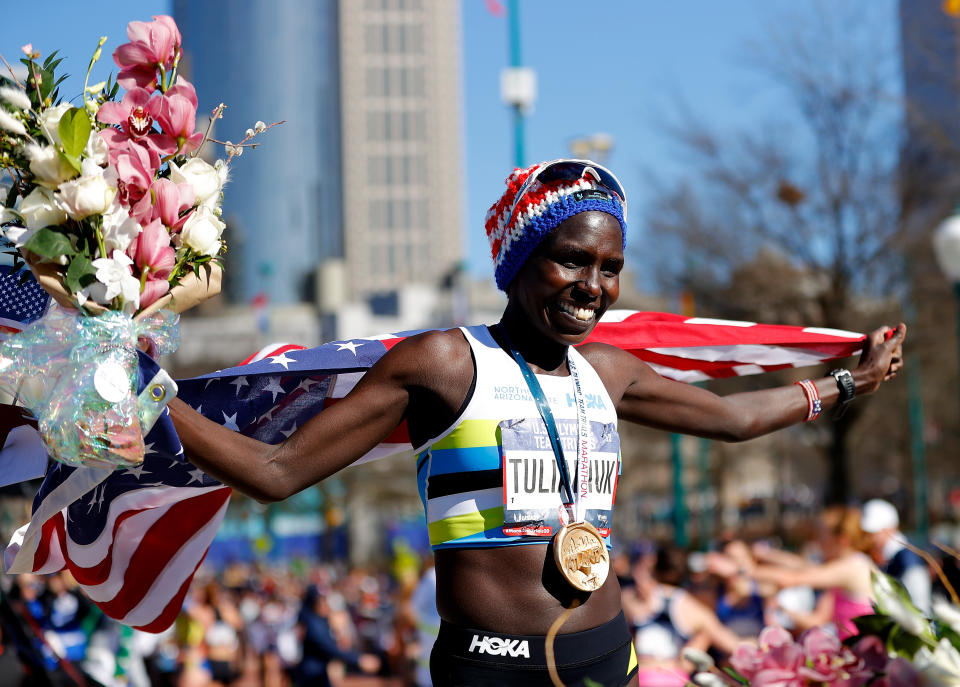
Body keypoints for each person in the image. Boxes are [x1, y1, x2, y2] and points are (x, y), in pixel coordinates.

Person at [168, 158, 905, 686]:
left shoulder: (607, 370)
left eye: (609, 267)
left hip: (608, 654)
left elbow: (734, 418)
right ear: (520, 261)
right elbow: (275, 472)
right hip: (489, 666)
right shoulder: (443, 364)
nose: (594, 287)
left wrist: (848, 383)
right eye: (571, 260)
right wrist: (148, 397)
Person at [711, 506, 876, 640]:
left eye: (823, 537)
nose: (818, 542)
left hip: (863, 653)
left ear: (843, 540)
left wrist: (739, 570)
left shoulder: (853, 566)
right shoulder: (849, 565)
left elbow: (794, 577)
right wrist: (768, 555)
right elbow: (802, 566)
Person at [622, 546, 742, 686]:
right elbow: (732, 644)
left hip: (639, 678)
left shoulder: (631, 598)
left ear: (655, 567)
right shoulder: (693, 608)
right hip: (674, 678)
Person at [861, 498, 931, 615]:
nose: (869, 538)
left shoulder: (907, 560)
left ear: (891, 529)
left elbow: (920, 609)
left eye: (873, 533)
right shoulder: (889, 556)